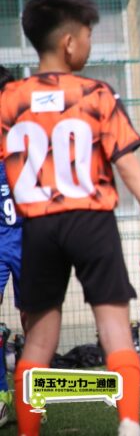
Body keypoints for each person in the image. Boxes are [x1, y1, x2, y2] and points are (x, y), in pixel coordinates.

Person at [0, 0, 140, 435]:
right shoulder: (95, 93)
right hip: (92, 221)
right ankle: (129, 423)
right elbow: (127, 163)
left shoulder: (9, 99)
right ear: (69, 43)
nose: (90, 43)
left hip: (37, 226)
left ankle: (28, 431)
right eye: (89, 35)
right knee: (114, 325)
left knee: (39, 338)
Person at [0, 66, 19, 429]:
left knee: (38, 324)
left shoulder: (27, 134)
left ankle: (35, 396)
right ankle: (2, 397)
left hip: (32, 242)